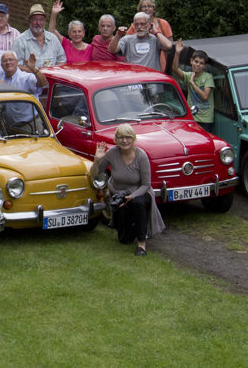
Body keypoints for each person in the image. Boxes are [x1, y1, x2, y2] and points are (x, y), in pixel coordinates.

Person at [90, 124, 164, 256]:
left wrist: (132, 196)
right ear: (116, 139)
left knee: (138, 203)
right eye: (121, 137)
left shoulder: (141, 156)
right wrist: (97, 160)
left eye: (128, 137)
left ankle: (141, 245)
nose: (125, 141)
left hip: (140, 192)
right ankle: (131, 229)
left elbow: (146, 184)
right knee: (124, 240)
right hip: (119, 194)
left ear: (133, 139)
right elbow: (96, 174)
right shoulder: (112, 153)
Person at [107, 12, 173, 72]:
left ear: (149, 24)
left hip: (152, 79)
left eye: (142, 24)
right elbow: (111, 50)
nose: (139, 27)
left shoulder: (155, 39)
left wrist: (156, 31)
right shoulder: (127, 39)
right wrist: (118, 34)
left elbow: (169, 46)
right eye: (136, 24)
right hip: (134, 80)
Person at [172, 39, 214, 132]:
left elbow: (205, 96)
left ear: (205, 66)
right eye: (196, 61)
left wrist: (192, 83)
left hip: (205, 119)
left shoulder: (208, 77)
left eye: (201, 63)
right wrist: (177, 53)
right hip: (192, 117)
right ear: (191, 61)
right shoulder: (189, 75)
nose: (198, 65)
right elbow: (175, 69)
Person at [12, 3, 66, 71]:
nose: (38, 23)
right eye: (35, 19)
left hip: (50, 80)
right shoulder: (20, 40)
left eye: (41, 20)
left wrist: (53, 71)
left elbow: (62, 60)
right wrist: (35, 72)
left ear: (44, 21)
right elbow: (16, 65)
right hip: (29, 80)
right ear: (30, 20)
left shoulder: (53, 39)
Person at [126, 0, 173, 70]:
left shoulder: (163, 24)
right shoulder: (134, 26)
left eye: (149, 6)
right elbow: (126, 45)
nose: (146, 9)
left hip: (160, 67)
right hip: (138, 67)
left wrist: (156, 33)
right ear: (140, 9)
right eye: (144, 6)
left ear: (154, 9)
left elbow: (170, 47)